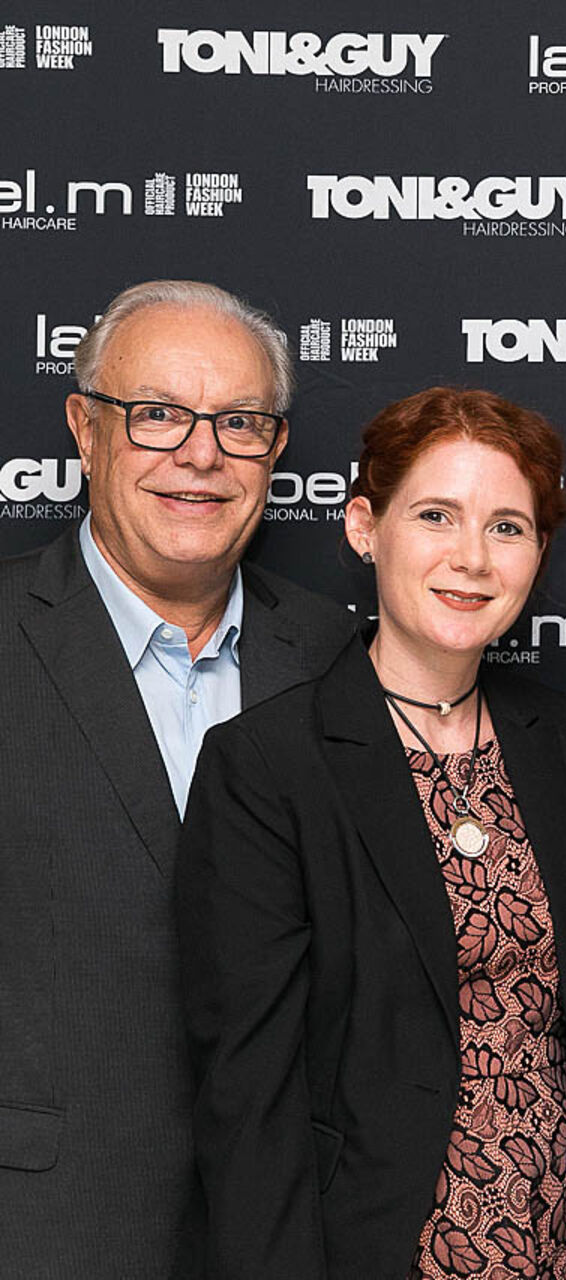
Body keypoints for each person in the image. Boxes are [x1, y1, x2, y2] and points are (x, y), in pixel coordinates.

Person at [176, 387, 566, 1278]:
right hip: (395, 1245)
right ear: (364, 528)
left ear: (538, 554)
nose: (472, 557)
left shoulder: (559, 737)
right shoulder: (268, 766)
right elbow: (248, 1096)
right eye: (435, 515)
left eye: (507, 527)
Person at [0, 280, 354, 1277]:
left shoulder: (338, 659)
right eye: (157, 413)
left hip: (292, 1232)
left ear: (275, 450)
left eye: (239, 422)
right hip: (42, 1227)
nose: (201, 454)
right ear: (85, 429)